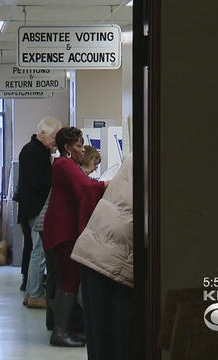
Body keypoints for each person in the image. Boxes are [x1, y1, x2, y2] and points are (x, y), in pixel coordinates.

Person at [43, 126, 108, 347]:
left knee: (67, 279)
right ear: (68, 148)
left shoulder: (66, 165)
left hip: (63, 228)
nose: (83, 150)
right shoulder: (64, 164)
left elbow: (86, 186)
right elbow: (85, 188)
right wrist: (108, 185)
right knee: (71, 279)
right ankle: (60, 333)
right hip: (64, 230)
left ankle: (64, 328)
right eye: (79, 146)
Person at [71, 154, 134, 360]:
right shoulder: (160, 154)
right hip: (113, 259)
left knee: (101, 343)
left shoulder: (142, 153)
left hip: (98, 250)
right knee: (117, 345)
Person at [16, 116, 62, 308]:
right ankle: (35, 294)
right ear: (43, 134)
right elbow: (38, 182)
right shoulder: (34, 152)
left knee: (36, 250)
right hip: (35, 208)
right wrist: (56, 177)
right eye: (54, 138)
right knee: (38, 252)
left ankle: (30, 292)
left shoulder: (34, 150)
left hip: (30, 207)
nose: (56, 143)